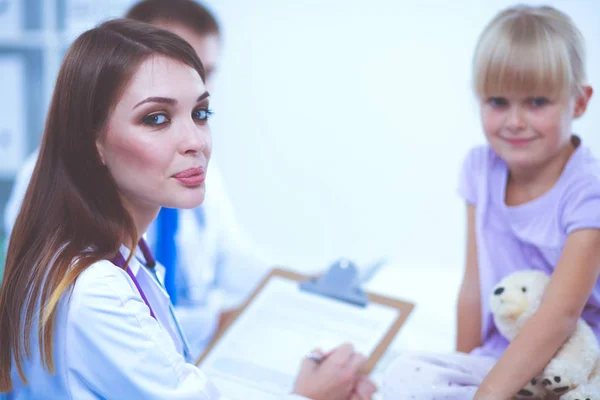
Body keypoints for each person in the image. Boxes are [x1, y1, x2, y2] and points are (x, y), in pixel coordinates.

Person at [0, 19, 376, 399]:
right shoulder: (96, 291)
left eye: (201, 114)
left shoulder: (116, 254)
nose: (195, 141)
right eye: (156, 119)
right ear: (92, 141)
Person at [3, 0, 270, 358]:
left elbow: (233, 258)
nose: (190, 78)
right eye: (156, 117)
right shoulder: (52, 193)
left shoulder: (193, 165)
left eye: (204, 75)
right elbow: (110, 321)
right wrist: (218, 322)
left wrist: (304, 291)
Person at [381, 5, 599, 399]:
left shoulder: (588, 189)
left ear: (579, 102)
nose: (514, 121)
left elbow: (561, 314)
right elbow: (473, 286)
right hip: (504, 355)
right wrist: (462, 365)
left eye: (536, 102)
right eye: (498, 102)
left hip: (580, 359)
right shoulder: (480, 169)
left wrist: (488, 394)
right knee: (406, 375)